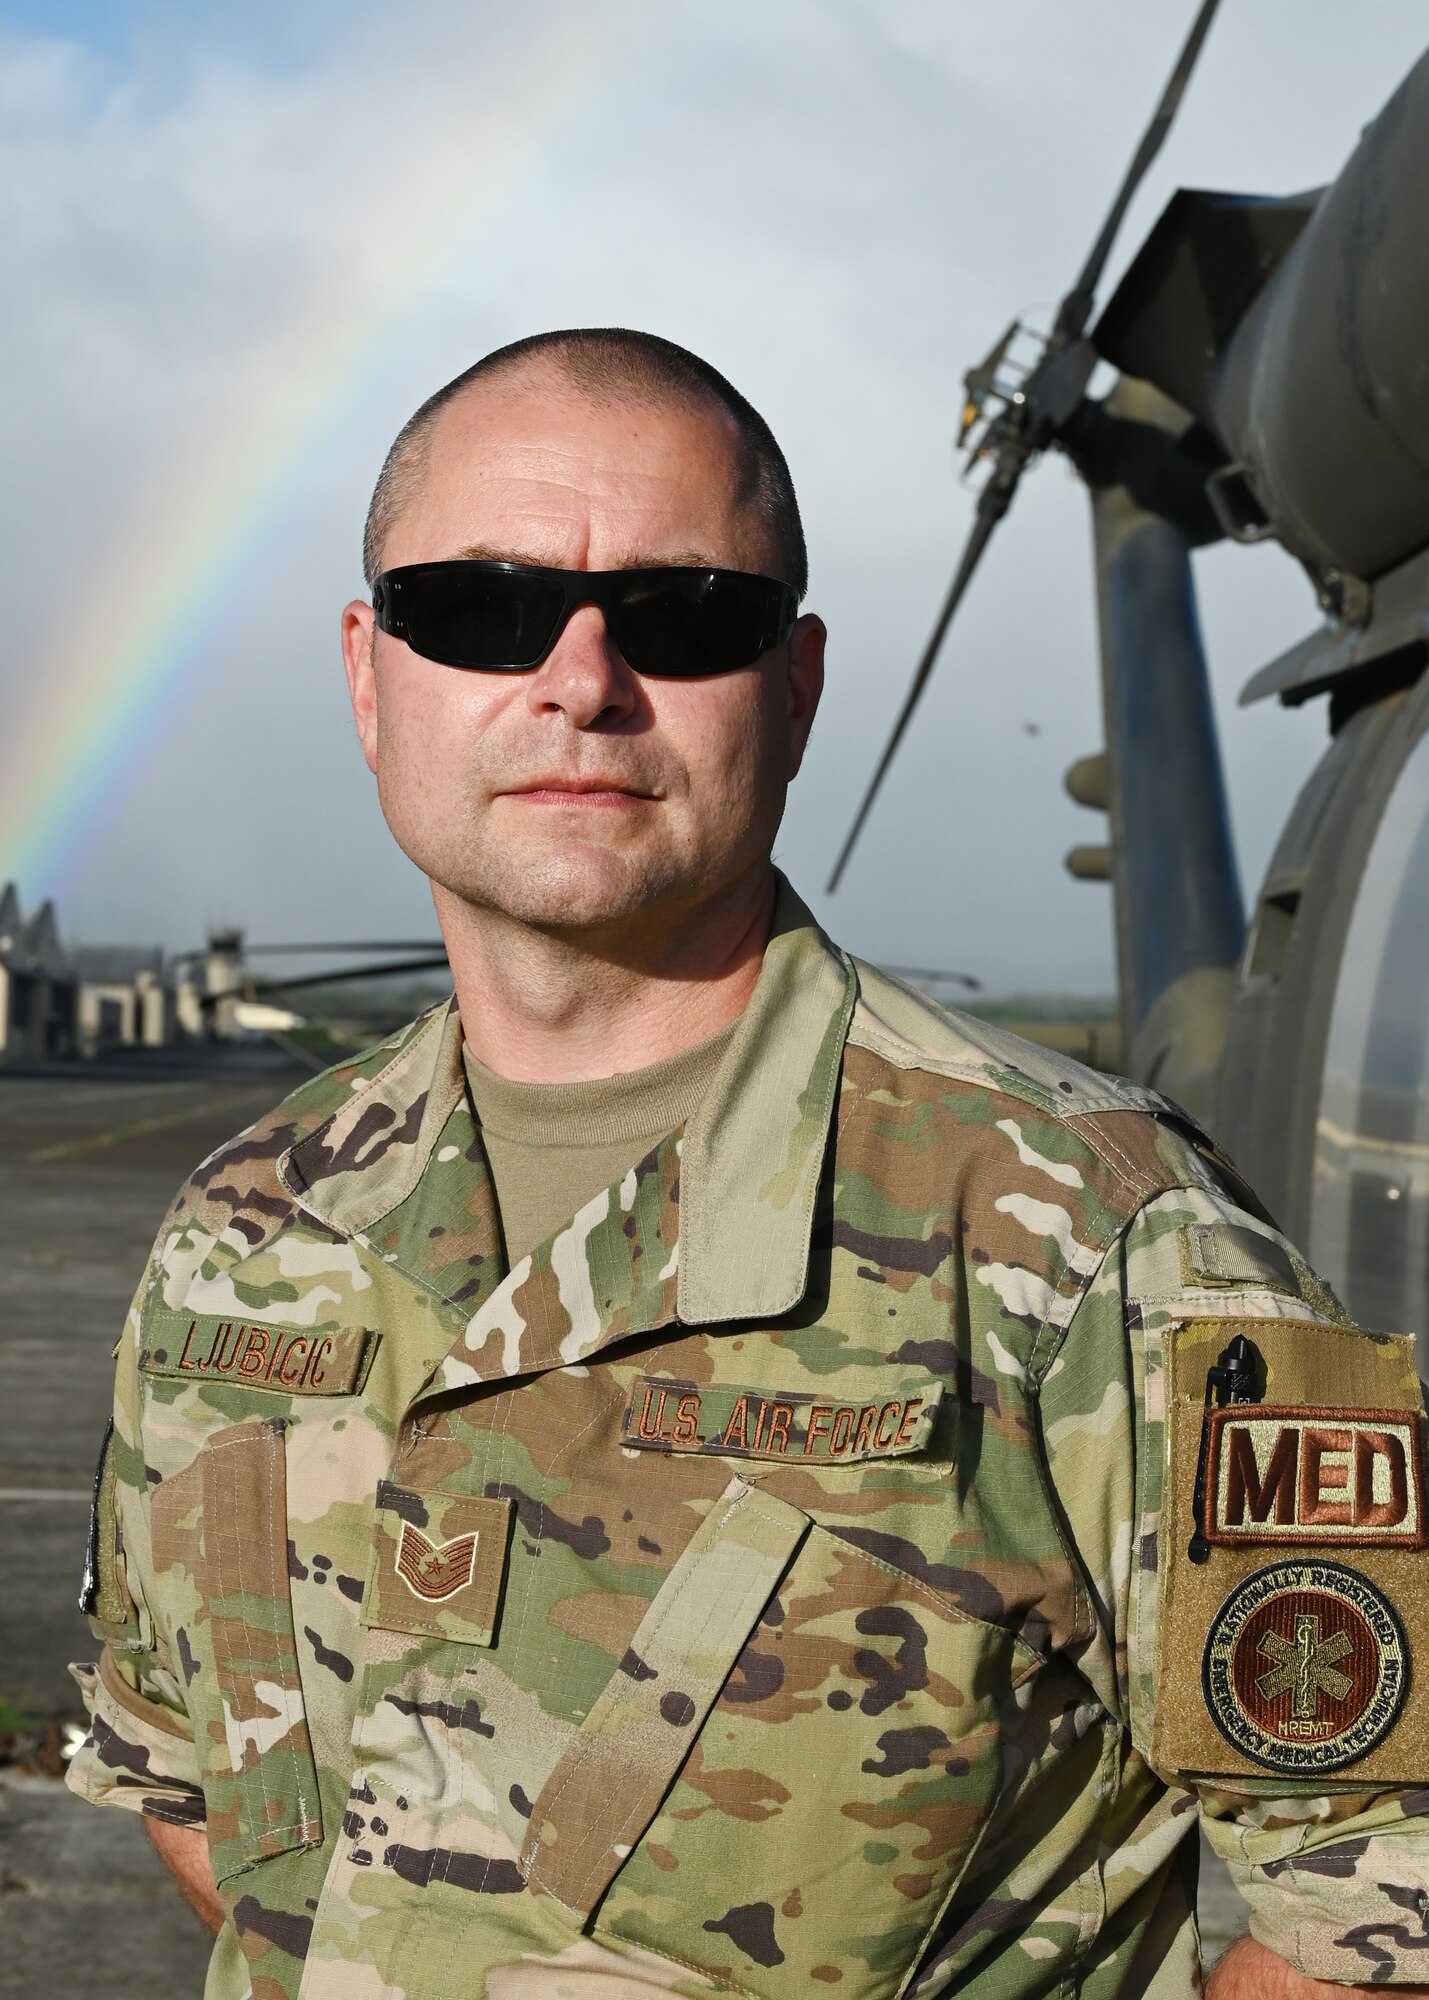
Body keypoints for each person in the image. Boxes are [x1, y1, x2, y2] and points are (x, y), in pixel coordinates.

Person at [68, 328, 1429, 2000]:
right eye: (477, 610)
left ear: (791, 690)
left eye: (682, 617)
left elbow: (1387, 1923)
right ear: (370, 673)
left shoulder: (1099, 1246)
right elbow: (184, 1780)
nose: (579, 679)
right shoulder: (243, 1228)